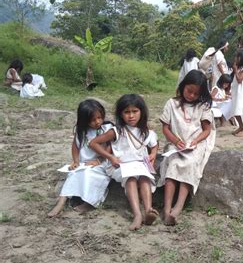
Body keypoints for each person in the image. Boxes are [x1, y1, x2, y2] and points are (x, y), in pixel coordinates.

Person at [89, 94, 159, 231]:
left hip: (139, 164)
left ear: (142, 112)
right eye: (127, 112)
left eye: (135, 111)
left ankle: (148, 209)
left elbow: (154, 144)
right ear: (120, 114)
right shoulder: (116, 131)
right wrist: (110, 157)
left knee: (145, 177)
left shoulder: (146, 131)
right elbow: (94, 143)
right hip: (121, 165)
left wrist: (153, 154)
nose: (131, 116)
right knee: (131, 178)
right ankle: (137, 214)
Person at [159, 70, 216, 225]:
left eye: (196, 93)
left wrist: (196, 141)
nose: (191, 95)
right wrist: (175, 141)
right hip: (176, 144)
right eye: (189, 91)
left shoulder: (203, 107)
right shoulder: (172, 104)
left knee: (189, 163)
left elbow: (207, 131)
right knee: (172, 163)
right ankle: (167, 207)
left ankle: (178, 207)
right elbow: (165, 128)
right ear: (183, 86)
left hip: (195, 144)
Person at [48, 99, 113, 217]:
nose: (97, 122)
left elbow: (110, 146)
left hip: (102, 163)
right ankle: (61, 201)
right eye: (92, 120)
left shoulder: (107, 128)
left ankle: (90, 202)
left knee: (91, 175)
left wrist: (99, 160)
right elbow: (75, 146)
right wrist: (76, 161)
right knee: (73, 173)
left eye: (99, 117)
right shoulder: (81, 131)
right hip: (85, 162)